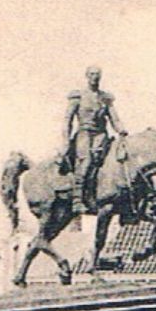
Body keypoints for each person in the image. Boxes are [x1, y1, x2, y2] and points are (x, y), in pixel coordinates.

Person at [60, 66, 125, 208]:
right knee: (86, 161)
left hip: (101, 134)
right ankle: (77, 199)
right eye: (92, 74)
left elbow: (115, 119)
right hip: (84, 133)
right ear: (87, 76)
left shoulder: (105, 98)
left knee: (114, 159)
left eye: (97, 74)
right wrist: (65, 141)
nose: (95, 77)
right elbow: (67, 121)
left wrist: (121, 130)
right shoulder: (78, 97)